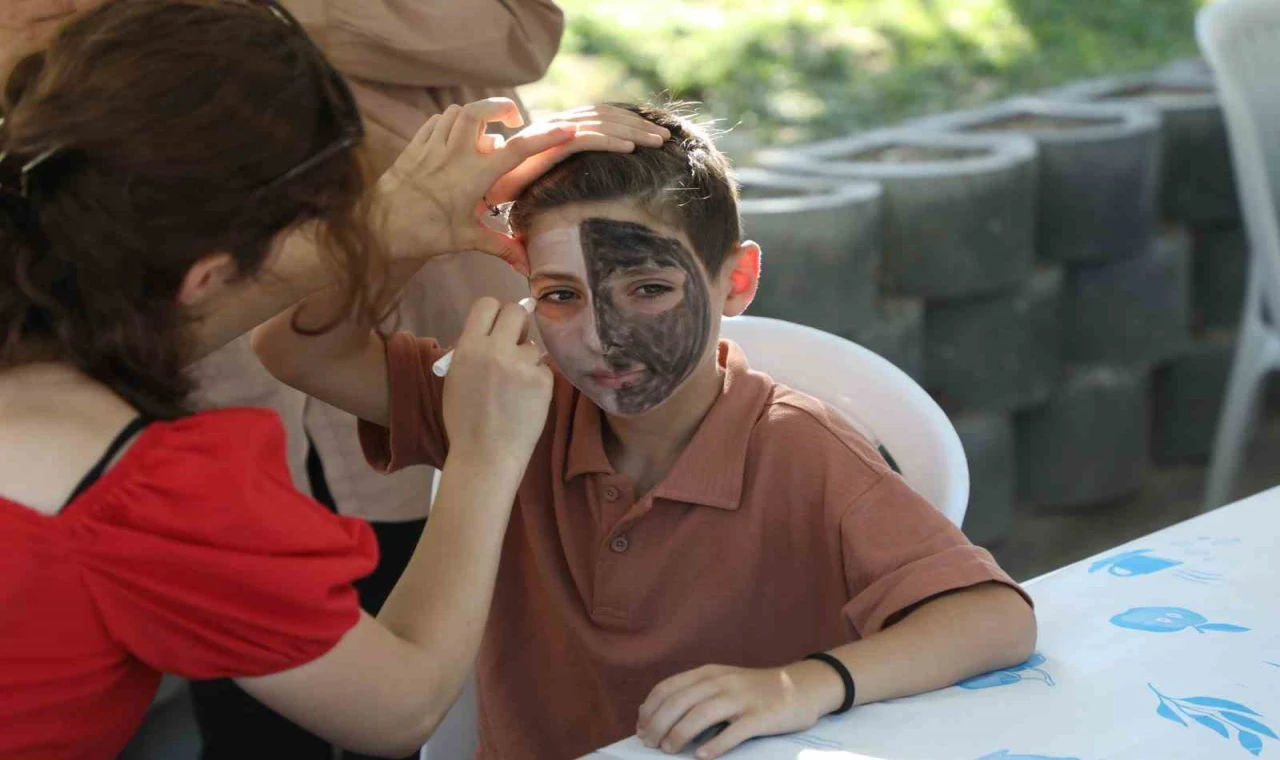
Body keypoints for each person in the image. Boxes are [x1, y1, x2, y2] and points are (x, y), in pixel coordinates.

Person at [254, 103, 1040, 760]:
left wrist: (801, 684)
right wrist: (403, 234)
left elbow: (994, 617)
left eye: (650, 287)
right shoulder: (512, 401)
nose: (603, 337)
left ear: (735, 281)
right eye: (560, 295)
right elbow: (293, 346)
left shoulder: (802, 447)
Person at [0, 2, 660, 758]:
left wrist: (387, 228)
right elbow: (401, 706)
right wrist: (482, 454)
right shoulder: (151, 498)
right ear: (211, 275)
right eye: (319, 237)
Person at [183, 2, 565, 757]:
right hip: (202, 322)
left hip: (422, 296)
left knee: (421, 606)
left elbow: (525, 28)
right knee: (244, 683)